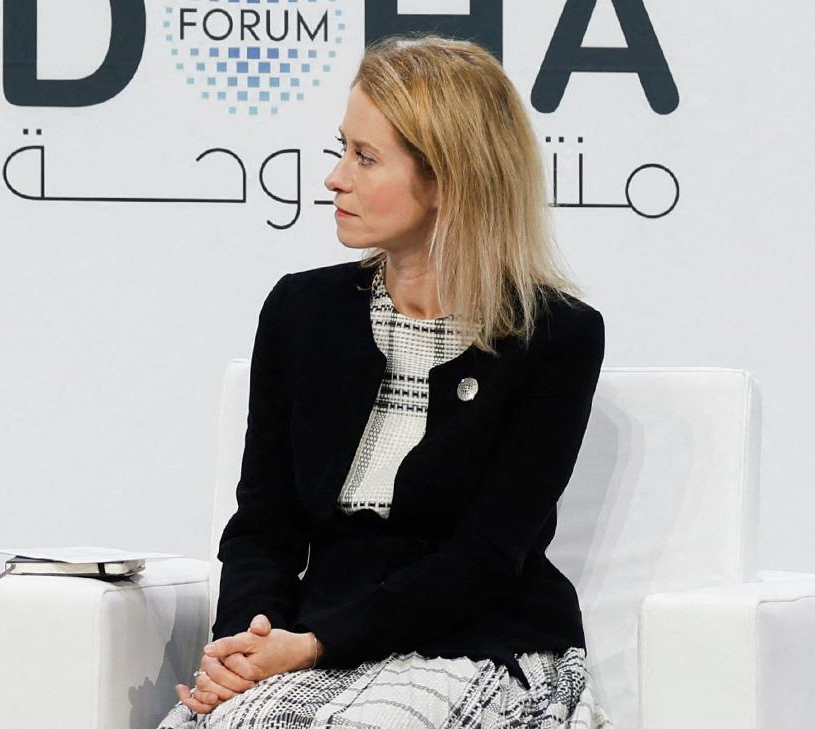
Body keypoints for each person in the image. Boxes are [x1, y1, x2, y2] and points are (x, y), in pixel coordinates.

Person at [155, 32, 612, 729]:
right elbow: (263, 529)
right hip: (312, 644)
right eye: (343, 149)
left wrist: (314, 644)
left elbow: (486, 558)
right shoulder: (302, 312)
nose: (335, 178)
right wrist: (248, 644)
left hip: (479, 642)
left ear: (449, 178)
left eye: (365, 157)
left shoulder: (554, 337)